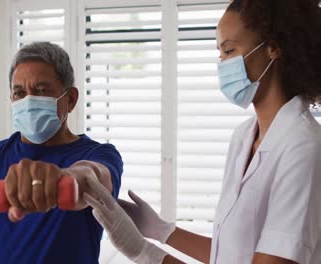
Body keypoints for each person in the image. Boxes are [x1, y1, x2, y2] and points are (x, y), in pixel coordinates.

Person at [84, 0, 321, 263]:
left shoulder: (304, 148)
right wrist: (162, 230)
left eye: (229, 50)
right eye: (219, 53)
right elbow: (229, 253)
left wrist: (142, 251)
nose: (222, 64)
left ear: (274, 47)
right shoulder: (244, 137)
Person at [0, 42, 123, 264]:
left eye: (41, 91)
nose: (28, 101)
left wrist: (66, 178)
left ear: (70, 99)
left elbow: (93, 177)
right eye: (19, 92)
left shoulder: (99, 155)